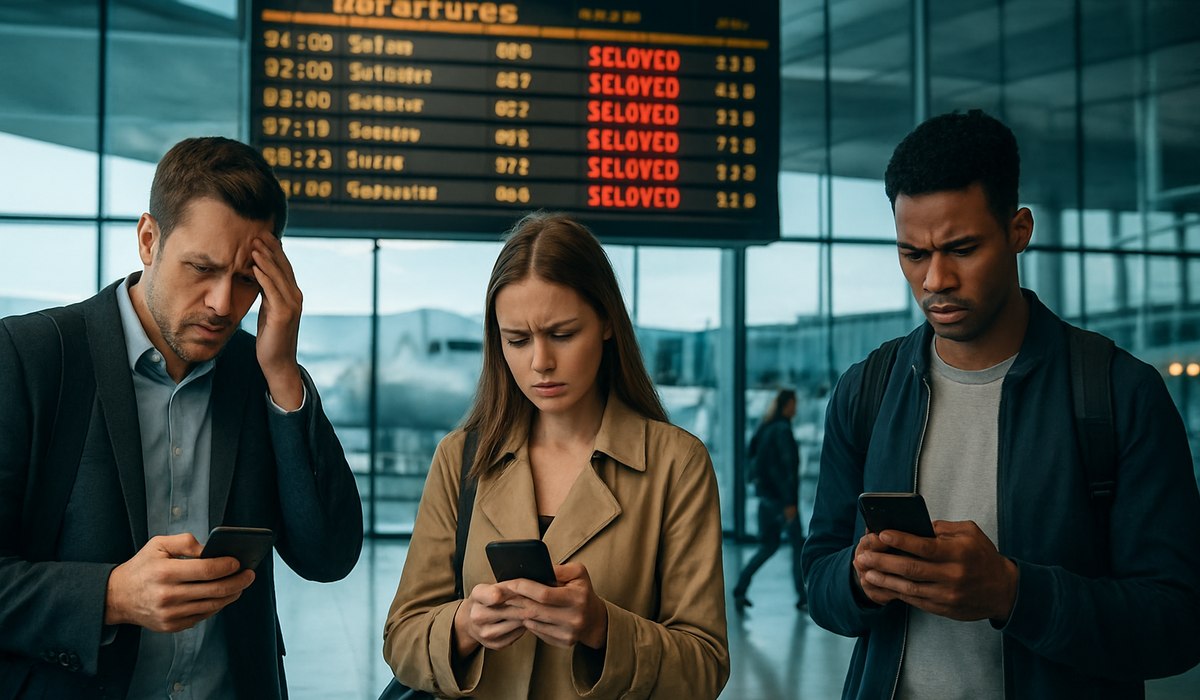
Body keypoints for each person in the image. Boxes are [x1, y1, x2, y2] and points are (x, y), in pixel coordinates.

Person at [802, 109, 1200, 698]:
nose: (935, 279)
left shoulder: (1118, 392)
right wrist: (858, 578)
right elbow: (818, 582)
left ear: (1019, 230)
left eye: (962, 249)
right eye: (913, 254)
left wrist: (1012, 593)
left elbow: (1178, 622)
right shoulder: (869, 388)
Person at [0, 136, 364, 699]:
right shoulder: (29, 358)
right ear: (149, 240)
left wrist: (284, 374)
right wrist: (111, 595)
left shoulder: (262, 374)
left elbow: (328, 555)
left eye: (248, 279)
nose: (223, 303)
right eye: (202, 268)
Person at [383, 212, 728, 698]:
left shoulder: (676, 464)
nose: (540, 362)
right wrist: (464, 625)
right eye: (517, 340)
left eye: (563, 334)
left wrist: (602, 628)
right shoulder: (461, 457)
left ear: (607, 322)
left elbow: (705, 666)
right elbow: (401, 637)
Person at [732, 388, 806, 612]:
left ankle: (740, 589)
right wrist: (789, 502)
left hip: (767, 499)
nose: (796, 408)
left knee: (768, 547)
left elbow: (755, 464)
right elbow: (787, 469)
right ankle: (803, 597)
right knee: (797, 547)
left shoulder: (764, 428)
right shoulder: (782, 430)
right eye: (794, 403)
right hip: (783, 501)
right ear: (786, 405)